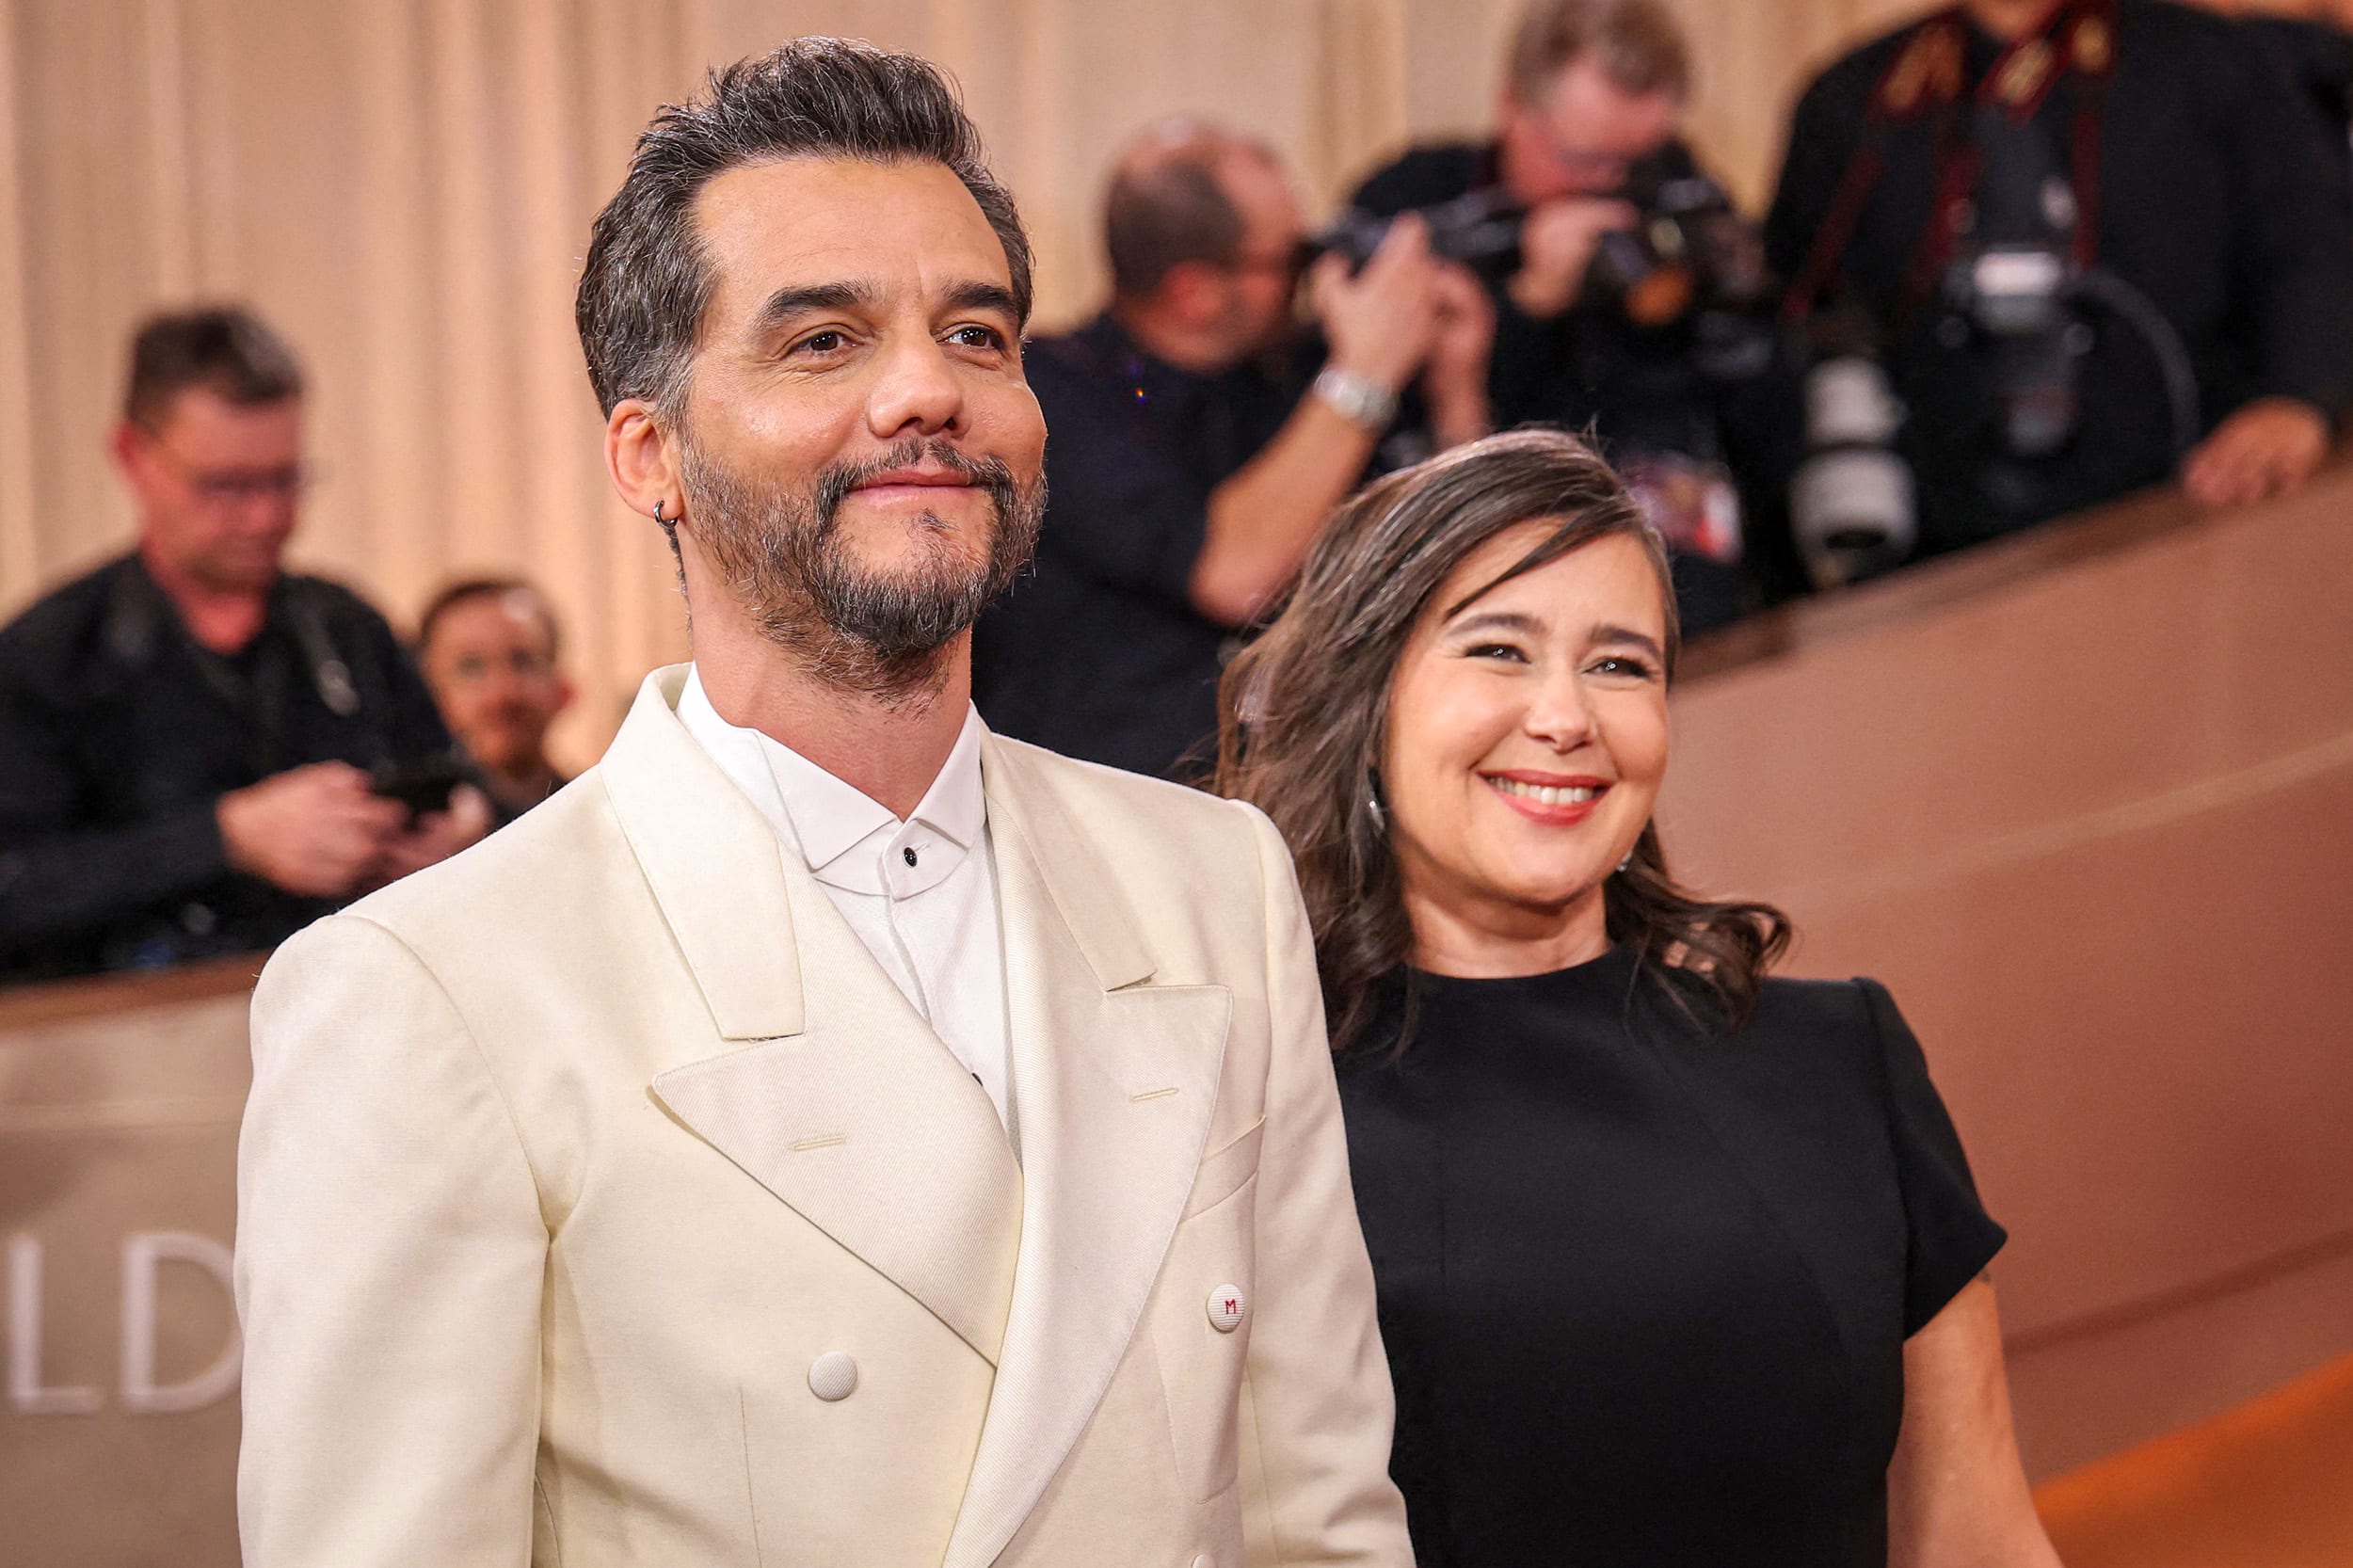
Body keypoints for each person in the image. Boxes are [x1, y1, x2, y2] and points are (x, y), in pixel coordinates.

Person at [234, 40, 1411, 1568]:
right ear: (649, 457)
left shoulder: (1215, 884)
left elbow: (1315, 1518)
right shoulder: (423, 992)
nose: (927, 388)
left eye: (978, 333)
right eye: (823, 342)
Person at [1215, 428, 2060, 1567]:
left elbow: (1979, 1535)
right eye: (1499, 651)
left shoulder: (1839, 1060)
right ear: (1367, 703)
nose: (1567, 717)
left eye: (1620, 663)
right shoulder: (1256, 1109)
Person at [972, 118, 1494, 780]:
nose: (1312, 278)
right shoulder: (1048, 392)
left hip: (1299, 801)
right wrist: (1365, 374)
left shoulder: (1299, 380)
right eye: (1290, 259)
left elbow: (1463, 558)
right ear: (1195, 291)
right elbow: (1233, 574)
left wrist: (1456, 386)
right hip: (1110, 810)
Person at [1769, 0, 2353, 566]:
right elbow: (1799, 306)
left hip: (2188, 505)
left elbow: (2311, 243)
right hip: (1939, 545)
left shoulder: (2205, 60)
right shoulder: (1860, 99)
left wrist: (2300, 399)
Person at [0, 307, 485, 983]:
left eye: (285, 480)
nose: (265, 517)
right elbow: (16, 889)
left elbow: (459, 779)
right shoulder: (46, 659)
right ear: (132, 458)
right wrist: (226, 838)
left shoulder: (347, 627)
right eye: (226, 486)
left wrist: (465, 826)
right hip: (126, 1058)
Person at [1345, 0, 1807, 630]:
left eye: (1634, 160)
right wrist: (1530, 305)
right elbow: (1379, 450)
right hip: (1499, 596)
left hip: (1688, 606)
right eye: (1583, 160)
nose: (1607, 188)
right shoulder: (1418, 211)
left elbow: (1768, 423)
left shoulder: (1681, 198)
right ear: (1512, 106)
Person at [415, 576, 574, 819]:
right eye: (470, 668)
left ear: (563, 690)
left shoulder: (608, 816)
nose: (501, 694)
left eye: (523, 662)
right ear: (428, 693)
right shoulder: (397, 839)